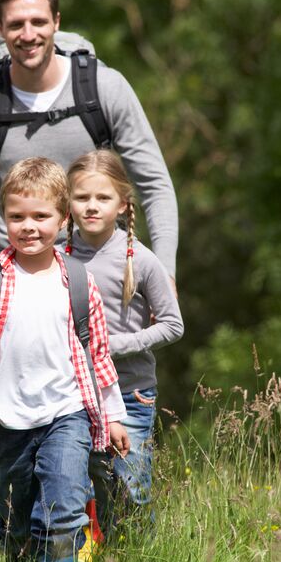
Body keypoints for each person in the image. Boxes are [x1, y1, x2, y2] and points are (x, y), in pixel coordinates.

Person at [0, 0, 178, 322]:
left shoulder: (104, 89)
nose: (28, 34)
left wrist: (164, 274)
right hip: (10, 282)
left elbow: (154, 185)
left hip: (99, 279)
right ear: (0, 30)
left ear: (57, 22)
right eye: (16, 25)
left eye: (38, 22)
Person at [0, 157, 130, 562]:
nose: (29, 226)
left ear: (63, 218)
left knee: (63, 514)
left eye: (41, 215)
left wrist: (113, 415)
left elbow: (98, 356)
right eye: (17, 216)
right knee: (16, 524)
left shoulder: (78, 280)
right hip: (8, 420)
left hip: (67, 414)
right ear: (4, 219)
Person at [65, 149, 184, 534]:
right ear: (68, 203)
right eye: (82, 198)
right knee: (80, 488)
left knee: (129, 487)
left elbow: (172, 325)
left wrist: (115, 345)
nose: (92, 207)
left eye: (103, 198)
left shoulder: (141, 259)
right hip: (70, 394)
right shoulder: (56, 257)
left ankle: (135, 550)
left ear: (122, 204)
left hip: (130, 392)